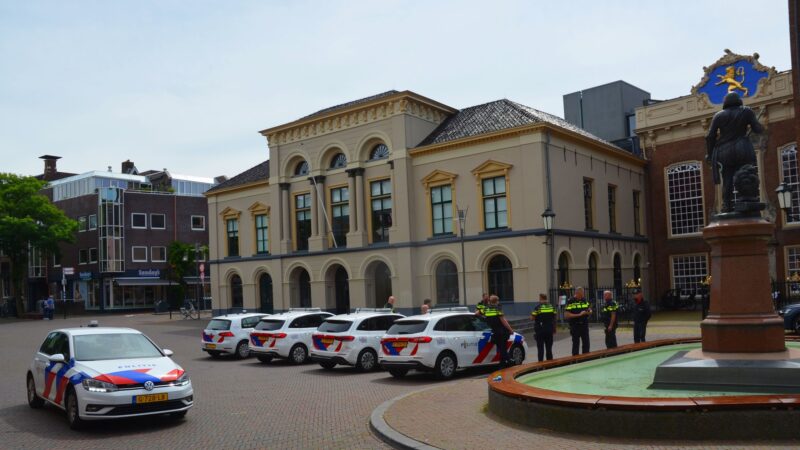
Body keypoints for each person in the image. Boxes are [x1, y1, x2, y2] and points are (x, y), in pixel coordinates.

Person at [705, 92, 764, 213]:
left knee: (727, 179)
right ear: (739, 101)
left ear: (725, 103)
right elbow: (758, 129)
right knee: (746, 174)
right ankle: (747, 200)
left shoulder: (718, 115)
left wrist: (710, 154)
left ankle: (727, 205)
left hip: (724, 151)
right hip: (742, 147)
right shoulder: (746, 111)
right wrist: (756, 125)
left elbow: (710, 136)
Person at [483, 295, 515, 367]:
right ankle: (509, 361)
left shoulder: (486, 309)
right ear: (496, 301)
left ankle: (502, 365)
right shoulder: (498, 309)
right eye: (498, 301)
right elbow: (503, 321)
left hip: (494, 332)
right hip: (501, 331)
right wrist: (511, 330)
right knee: (503, 348)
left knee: (501, 348)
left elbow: (477, 313)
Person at [564, 287, 591, 356]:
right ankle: (575, 360)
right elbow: (567, 315)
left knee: (586, 343)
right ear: (577, 293)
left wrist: (589, 312)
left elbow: (589, 309)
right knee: (576, 343)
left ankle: (586, 358)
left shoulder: (584, 300)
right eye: (582, 293)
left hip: (584, 325)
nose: (583, 295)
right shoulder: (570, 301)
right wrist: (579, 314)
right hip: (575, 325)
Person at [530, 293, 556, 361]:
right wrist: (554, 328)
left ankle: (541, 365)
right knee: (549, 348)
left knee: (540, 349)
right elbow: (554, 317)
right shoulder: (551, 307)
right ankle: (550, 364)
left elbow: (532, 318)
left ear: (541, 298)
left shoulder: (538, 307)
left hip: (540, 330)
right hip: (549, 329)